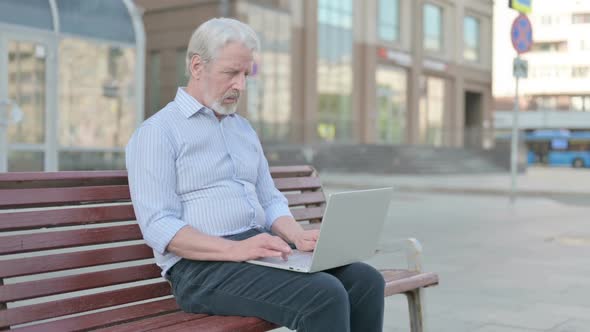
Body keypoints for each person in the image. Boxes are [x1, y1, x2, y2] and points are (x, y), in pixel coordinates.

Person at [126, 17, 385, 332]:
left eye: (246, 74)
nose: (241, 85)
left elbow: (269, 197)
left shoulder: (243, 129)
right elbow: (159, 225)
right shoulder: (157, 132)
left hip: (257, 251)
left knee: (366, 281)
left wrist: (295, 234)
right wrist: (234, 249)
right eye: (231, 73)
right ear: (197, 67)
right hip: (199, 268)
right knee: (324, 295)